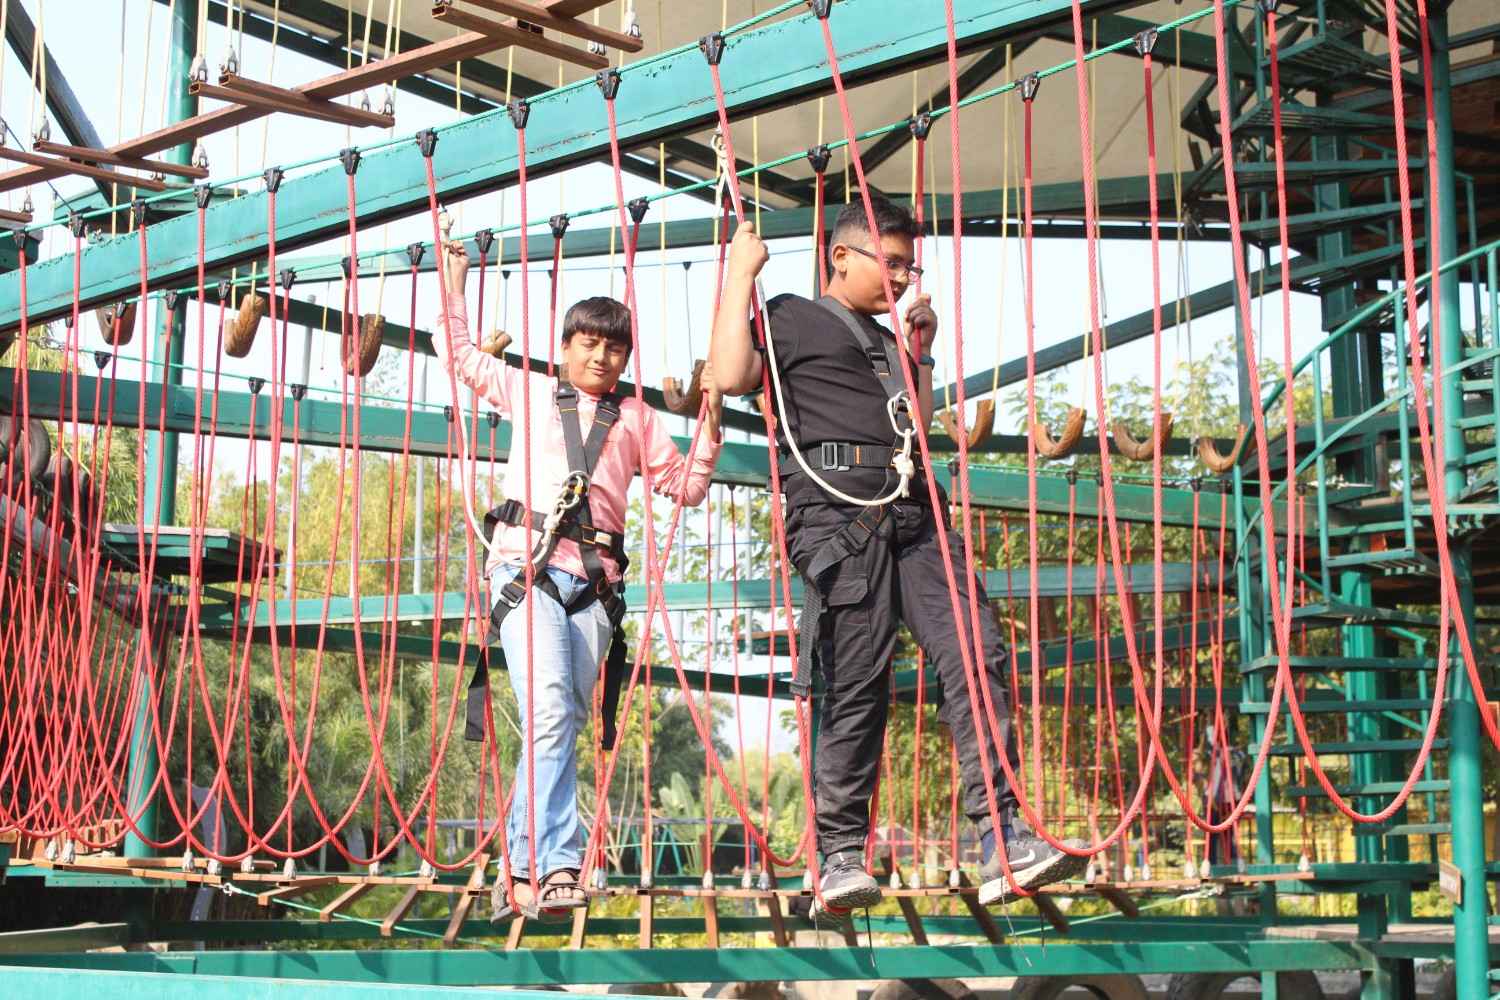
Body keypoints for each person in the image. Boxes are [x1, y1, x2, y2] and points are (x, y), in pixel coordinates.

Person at [708, 195, 1083, 912]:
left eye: (909, 265)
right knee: (856, 678)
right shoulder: (788, 314)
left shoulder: (883, 342)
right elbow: (729, 375)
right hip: (838, 511)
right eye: (892, 261)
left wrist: (921, 350)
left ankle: (1001, 837)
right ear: (840, 256)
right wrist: (738, 274)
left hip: (914, 511)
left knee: (977, 651)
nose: (903, 276)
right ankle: (840, 851)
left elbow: (911, 422)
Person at [435, 241, 724, 920]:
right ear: (565, 347)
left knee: (556, 719)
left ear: (625, 359)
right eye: (588, 344)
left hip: (593, 588)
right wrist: (455, 280)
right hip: (527, 572)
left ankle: (520, 875)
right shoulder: (531, 390)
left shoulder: (637, 419)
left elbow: (685, 488)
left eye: (613, 349)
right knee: (551, 708)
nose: (601, 357)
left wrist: (709, 420)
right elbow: (462, 358)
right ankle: (559, 864)